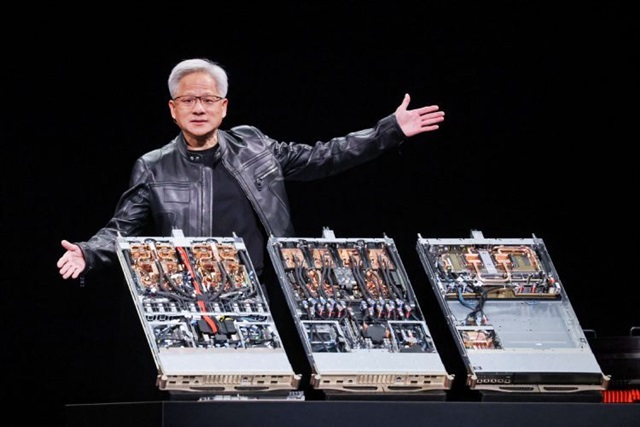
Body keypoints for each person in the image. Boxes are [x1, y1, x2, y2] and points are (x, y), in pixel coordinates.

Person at [56, 57, 445, 282]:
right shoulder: (154, 166)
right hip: (201, 293)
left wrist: (387, 131)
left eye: (208, 99)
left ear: (223, 106)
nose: (198, 108)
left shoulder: (254, 144)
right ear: (173, 109)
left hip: (271, 287)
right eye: (188, 100)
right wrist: (89, 252)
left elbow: (323, 156)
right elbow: (122, 229)